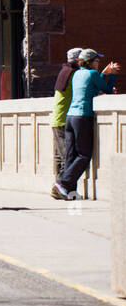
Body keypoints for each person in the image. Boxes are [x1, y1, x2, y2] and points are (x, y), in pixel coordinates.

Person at [53, 48, 120, 200]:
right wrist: (113, 75)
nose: (99, 62)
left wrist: (104, 74)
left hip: (70, 117)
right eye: (97, 60)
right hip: (82, 117)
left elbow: (93, 84)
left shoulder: (77, 74)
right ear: (90, 62)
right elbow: (107, 90)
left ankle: (68, 192)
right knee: (84, 155)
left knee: (71, 155)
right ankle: (62, 184)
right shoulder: (92, 73)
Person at [50, 47, 81, 178]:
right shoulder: (74, 74)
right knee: (66, 157)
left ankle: (57, 186)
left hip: (57, 119)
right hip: (64, 120)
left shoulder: (64, 71)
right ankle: (63, 187)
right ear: (78, 60)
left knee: (59, 156)